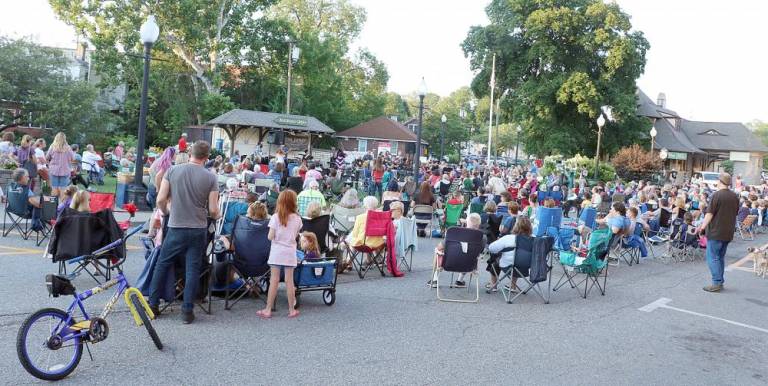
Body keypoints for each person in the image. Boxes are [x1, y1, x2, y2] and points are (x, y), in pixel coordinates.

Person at [149, 141, 220, 324]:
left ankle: (153, 305)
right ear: (207, 157)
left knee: (162, 264)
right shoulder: (211, 177)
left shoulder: (172, 171)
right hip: (197, 229)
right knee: (192, 269)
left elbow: (160, 199)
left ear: (190, 153)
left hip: (175, 226)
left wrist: (166, 213)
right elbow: (213, 210)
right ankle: (187, 311)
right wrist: (217, 215)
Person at [258, 189, 303, 319]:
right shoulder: (297, 219)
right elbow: (295, 236)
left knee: (274, 281)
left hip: (277, 252)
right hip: (290, 252)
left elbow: (270, 237)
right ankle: (291, 309)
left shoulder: (275, 217)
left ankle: (268, 309)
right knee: (290, 281)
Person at [696, 172, 739, 293]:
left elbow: (709, 214)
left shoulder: (716, 195)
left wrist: (702, 227)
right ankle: (719, 281)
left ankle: (716, 282)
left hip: (716, 231)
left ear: (720, 182)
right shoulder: (734, 196)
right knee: (720, 257)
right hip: (728, 232)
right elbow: (735, 212)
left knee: (713, 257)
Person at [487, 215, 534, 292]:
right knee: (519, 259)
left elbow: (491, 248)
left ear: (516, 226)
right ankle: (512, 285)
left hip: (508, 266)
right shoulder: (534, 240)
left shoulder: (509, 238)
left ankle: (493, 285)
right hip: (526, 268)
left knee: (495, 258)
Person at [46, 133, 75, 197]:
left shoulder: (52, 147)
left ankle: (53, 205)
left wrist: (49, 163)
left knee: (54, 188)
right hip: (65, 170)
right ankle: (62, 205)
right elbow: (73, 158)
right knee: (63, 189)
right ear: (65, 139)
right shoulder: (68, 148)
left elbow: (47, 157)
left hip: (53, 170)